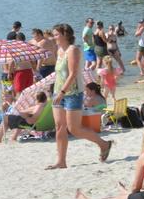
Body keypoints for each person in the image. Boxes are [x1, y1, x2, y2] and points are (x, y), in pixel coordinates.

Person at [46, 23, 113, 169]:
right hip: (58, 92)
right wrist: (54, 91)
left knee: (74, 129)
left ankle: (104, 144)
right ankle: (61, 161)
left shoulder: (73, 50)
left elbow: (73, 74)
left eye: (56, 34)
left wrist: (62, 92)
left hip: (73, 94)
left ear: (65, 35)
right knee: (59, 126)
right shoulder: (59, 50)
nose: (53, 37)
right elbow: (59, 74)